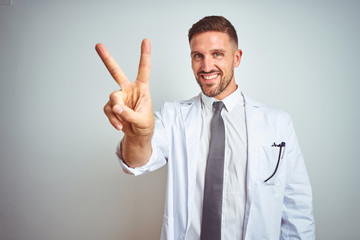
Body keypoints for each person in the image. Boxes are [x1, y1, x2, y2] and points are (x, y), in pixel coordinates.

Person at [96, 16, 315, 240]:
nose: (207, 66)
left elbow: (296, 208)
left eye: (217, 54)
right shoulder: (174, 116)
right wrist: (136, 136)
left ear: (236, 58)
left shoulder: (278, 123)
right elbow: (137, 162)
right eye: (197, 56)